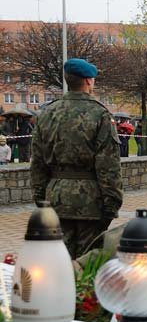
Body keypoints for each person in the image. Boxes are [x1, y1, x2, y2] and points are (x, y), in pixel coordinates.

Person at [30, 58, 123, 259]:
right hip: (90, 201)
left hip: (55, 198)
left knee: (57, 262)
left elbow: (37, 161)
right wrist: (112, 204)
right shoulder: (100, 115)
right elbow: (108, 166)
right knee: (86, 265)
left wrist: (41, 197)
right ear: (89, 81)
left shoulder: (48, 113)